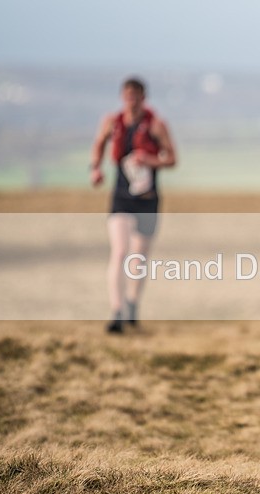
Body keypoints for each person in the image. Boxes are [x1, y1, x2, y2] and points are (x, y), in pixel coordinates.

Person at [89, 77, 177, 333]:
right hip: (121, 197)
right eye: (127, 95)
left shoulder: (156, 125)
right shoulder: (112, 122)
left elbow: (172, 158)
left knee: (138, 259)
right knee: (119, 252)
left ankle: (132, 306)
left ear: (143, 98)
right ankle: (116, 311)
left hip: (147, 199)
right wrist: (95, 168)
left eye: (136, 96)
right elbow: (98, 144)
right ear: (122, 97)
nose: (131, 101)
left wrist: (149, 160)